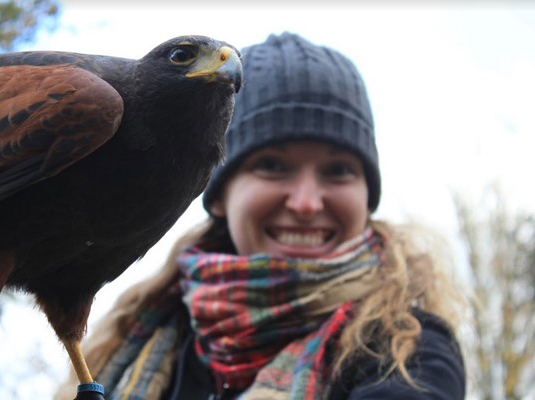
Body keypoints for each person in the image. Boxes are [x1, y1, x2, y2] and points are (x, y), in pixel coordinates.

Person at [55, 32, 466, 400]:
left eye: (338, 171)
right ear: (216, 193)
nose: (306, 203)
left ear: (367, 195)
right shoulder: (120, 342)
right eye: (272, 166)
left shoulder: (408, 351)